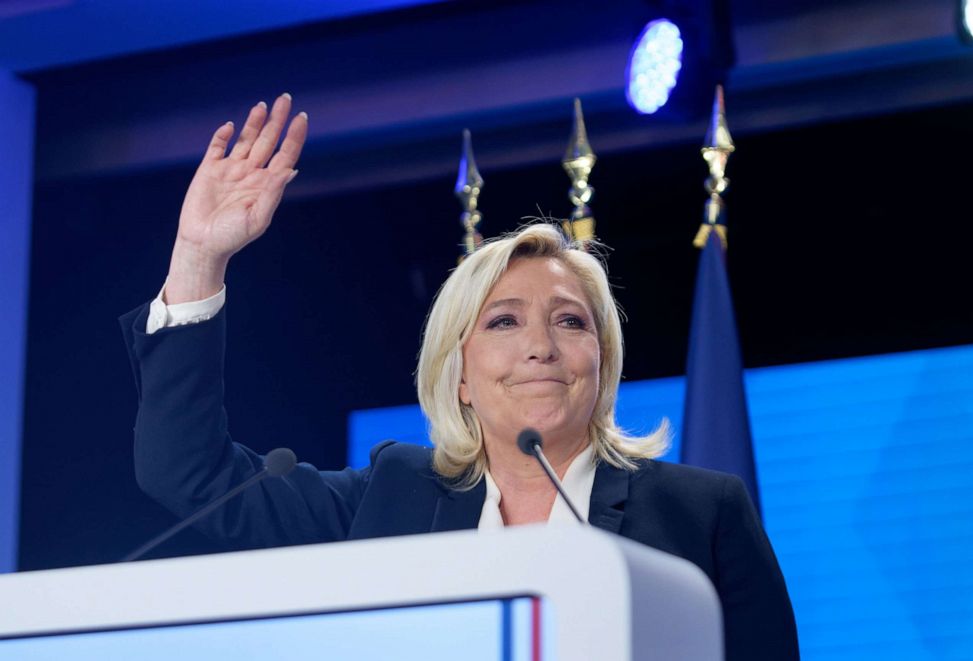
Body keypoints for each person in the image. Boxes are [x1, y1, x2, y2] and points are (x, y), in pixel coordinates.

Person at [120, 95, 800, 660]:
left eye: (570, 321)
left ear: (603, 360)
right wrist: (197, 258)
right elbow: (188, 472)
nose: (540, 346)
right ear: (462, 376)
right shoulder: (391, 498)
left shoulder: (700, 513)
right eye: (503, 322)